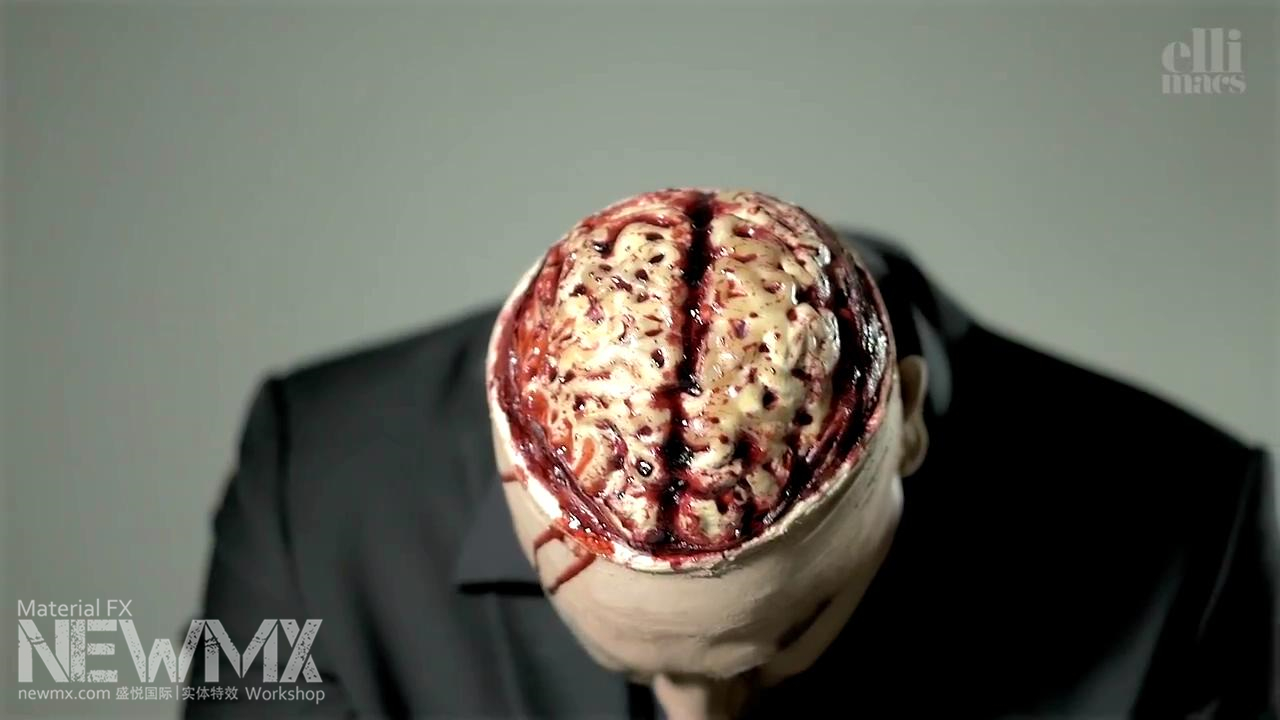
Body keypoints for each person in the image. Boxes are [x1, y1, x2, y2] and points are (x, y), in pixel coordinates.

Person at [184, 192, 1278, 720]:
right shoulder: (316, 492)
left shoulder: (1195, 537)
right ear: (507, 470)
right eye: (634, 666)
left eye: (780, 639)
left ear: (905, 420)